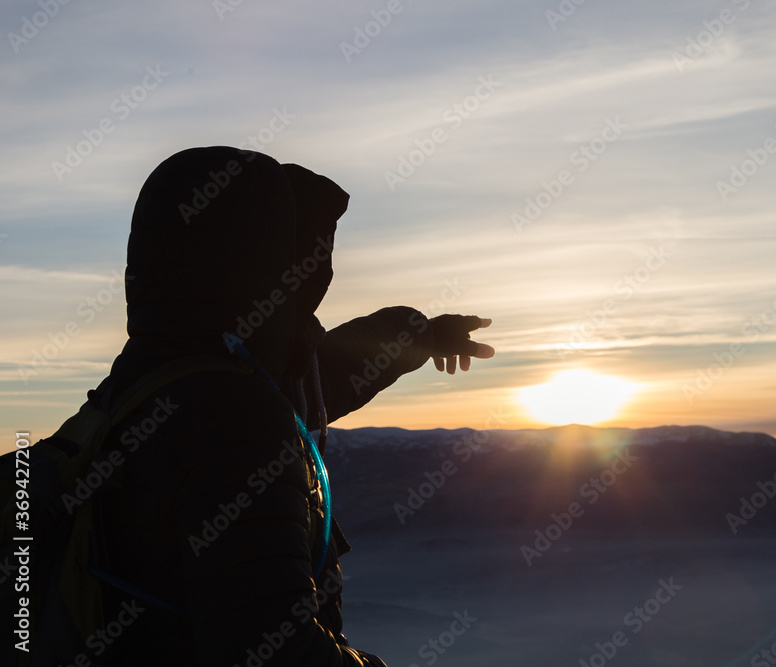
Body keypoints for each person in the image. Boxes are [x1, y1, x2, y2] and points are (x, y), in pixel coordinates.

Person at [88, 146, 494, 666]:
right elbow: (276, 651)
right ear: (269, 264)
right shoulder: (235, 421)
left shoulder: (145, 384)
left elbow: (326, 373)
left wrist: (419, 333)